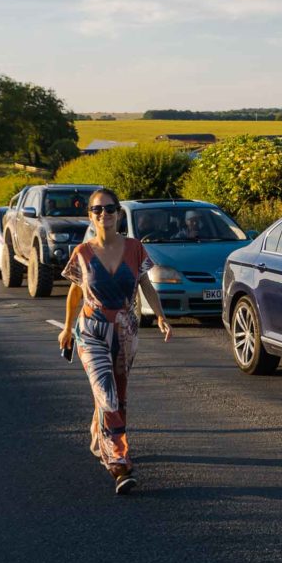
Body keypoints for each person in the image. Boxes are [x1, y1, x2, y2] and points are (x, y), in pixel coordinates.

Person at [59, 188, 172, 495]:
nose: (104, 215)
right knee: (106, 393)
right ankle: (119, 464)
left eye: (109, 209)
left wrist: (160, 316)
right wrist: (67, 328)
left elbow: (145, 284)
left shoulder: (135, 248)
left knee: (117, 396)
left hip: (125, 330)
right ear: (90, 216)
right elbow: (75, 292)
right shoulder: (82, 252)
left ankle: (100, 430)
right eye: (97, 210)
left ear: (119, 214)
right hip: (91, 330)